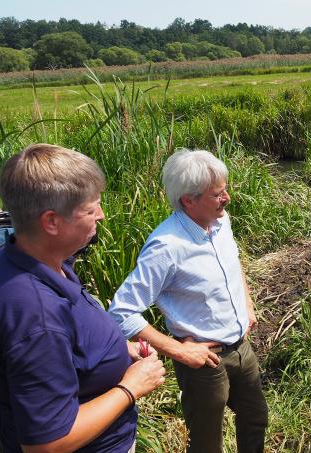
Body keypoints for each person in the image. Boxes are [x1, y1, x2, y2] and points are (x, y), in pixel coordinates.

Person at [0, 143, 167, 453]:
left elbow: (68, 344)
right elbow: (46, 444)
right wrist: (131, 387)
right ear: (51, 222)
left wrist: (118, 349)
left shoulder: (22, 257)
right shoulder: (36, 317)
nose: (102, 216)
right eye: (91, 209)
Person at [108, 149, 268, 453]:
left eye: (225, 190)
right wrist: (179, 350)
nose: (228, 199)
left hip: (241, 348)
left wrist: (246, 303)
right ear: (188, 201)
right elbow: (121, 312)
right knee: (207, 443)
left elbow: (233, 263)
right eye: (217, 194)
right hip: (205, 363)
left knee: (256, 417)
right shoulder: (166, 247)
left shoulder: (220, 222)